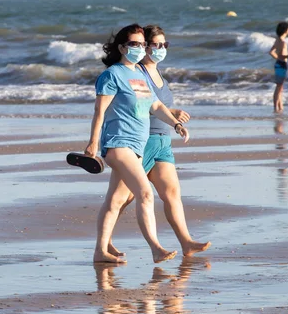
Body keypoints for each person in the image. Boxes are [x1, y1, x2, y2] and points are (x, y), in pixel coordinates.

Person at [84, 23, 190, 264]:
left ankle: (101, 250)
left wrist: (175, 124)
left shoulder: (140, 75)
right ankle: (155, 248)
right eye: (134, 44)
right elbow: (99, 112)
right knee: (144, 193)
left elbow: (155, 106)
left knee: (115, 200)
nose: (140, 48)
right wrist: (92, 143)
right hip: (118, 144)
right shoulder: (112, 75)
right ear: (122, 47)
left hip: (138, 146)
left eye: (143, 44)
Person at [105, 25, 211, 259]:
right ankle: (105, 243)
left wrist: (174, 120)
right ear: (145, 46)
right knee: (123, 197)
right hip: (143, 141)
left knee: (172, 192)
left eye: (165, 45)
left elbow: (157, 104)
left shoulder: (158, 73)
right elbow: (137, 104)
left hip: (163, 140)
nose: (161, 49)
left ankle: (186, 242)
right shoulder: (137, 72)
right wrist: (172, 112)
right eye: (156, 45)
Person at [268, 22, 288, 112]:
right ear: (285, 30)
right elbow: (283, 55)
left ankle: (280, 106)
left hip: (278, 63)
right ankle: (276, 107)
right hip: (282, 64)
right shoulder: (283, 43)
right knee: (279, 87)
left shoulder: (277, 40)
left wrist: (278, 58)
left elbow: (271, 52)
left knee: (280, 87)